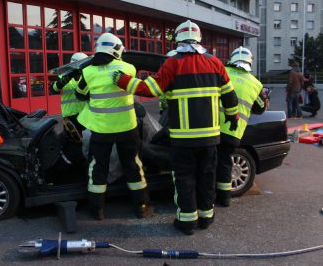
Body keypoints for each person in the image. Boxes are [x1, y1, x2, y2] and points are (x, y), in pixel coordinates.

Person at [114, 20, 239, 235]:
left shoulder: (173, 64)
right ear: (199, 38)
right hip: (210, 138)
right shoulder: (215, 63)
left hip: (183, 139)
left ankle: (186, 221)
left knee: (184, 179)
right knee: (206, 177)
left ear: (178, 40)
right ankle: (206, 217)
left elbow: (149, 89)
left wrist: (124, 81)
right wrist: (232, 116)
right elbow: (229, 95)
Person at [74, 32, 152, 220]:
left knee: (98, 167)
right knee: (133, 165)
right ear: (117, 49)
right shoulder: (129, 68)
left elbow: (80, 94)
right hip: (127, 127)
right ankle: (141, 205)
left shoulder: (88, 72)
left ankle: (97, 210)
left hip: (101, 130)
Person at [216, 47, 268, 207]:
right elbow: (260, 109)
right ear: (249, 62)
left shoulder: (221, 71)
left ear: (232, 59)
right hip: (233, 132)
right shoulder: (256, 84)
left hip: (212, 128)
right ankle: (224, 199)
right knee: (225, 163)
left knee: (208, 162)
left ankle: (205, 198)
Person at [52, 52, 89, 139]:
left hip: (85, 113)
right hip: (70, 115)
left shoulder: (87, 76)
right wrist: (64, 80)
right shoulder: (62, 76)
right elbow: (53, 90)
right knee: (71, 141)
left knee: (86, 140)